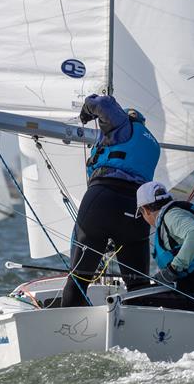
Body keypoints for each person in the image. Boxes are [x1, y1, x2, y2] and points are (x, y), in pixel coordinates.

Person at [61, 94, 161, 307]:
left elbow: (104, 103)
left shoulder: (124, 126)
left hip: (103, 199)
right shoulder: (153, 143)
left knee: (79, 278)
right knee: (138, 285)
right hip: (135, 211)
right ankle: (142, 334)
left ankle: (68, 331)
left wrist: (86, 111)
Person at [125, 181, 194, 312]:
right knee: (143, 293)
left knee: (133, 298)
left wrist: (173, 269)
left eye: (141, 214)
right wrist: (164, 276)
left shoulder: (172, 216)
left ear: (145, 210)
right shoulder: (174, 214)